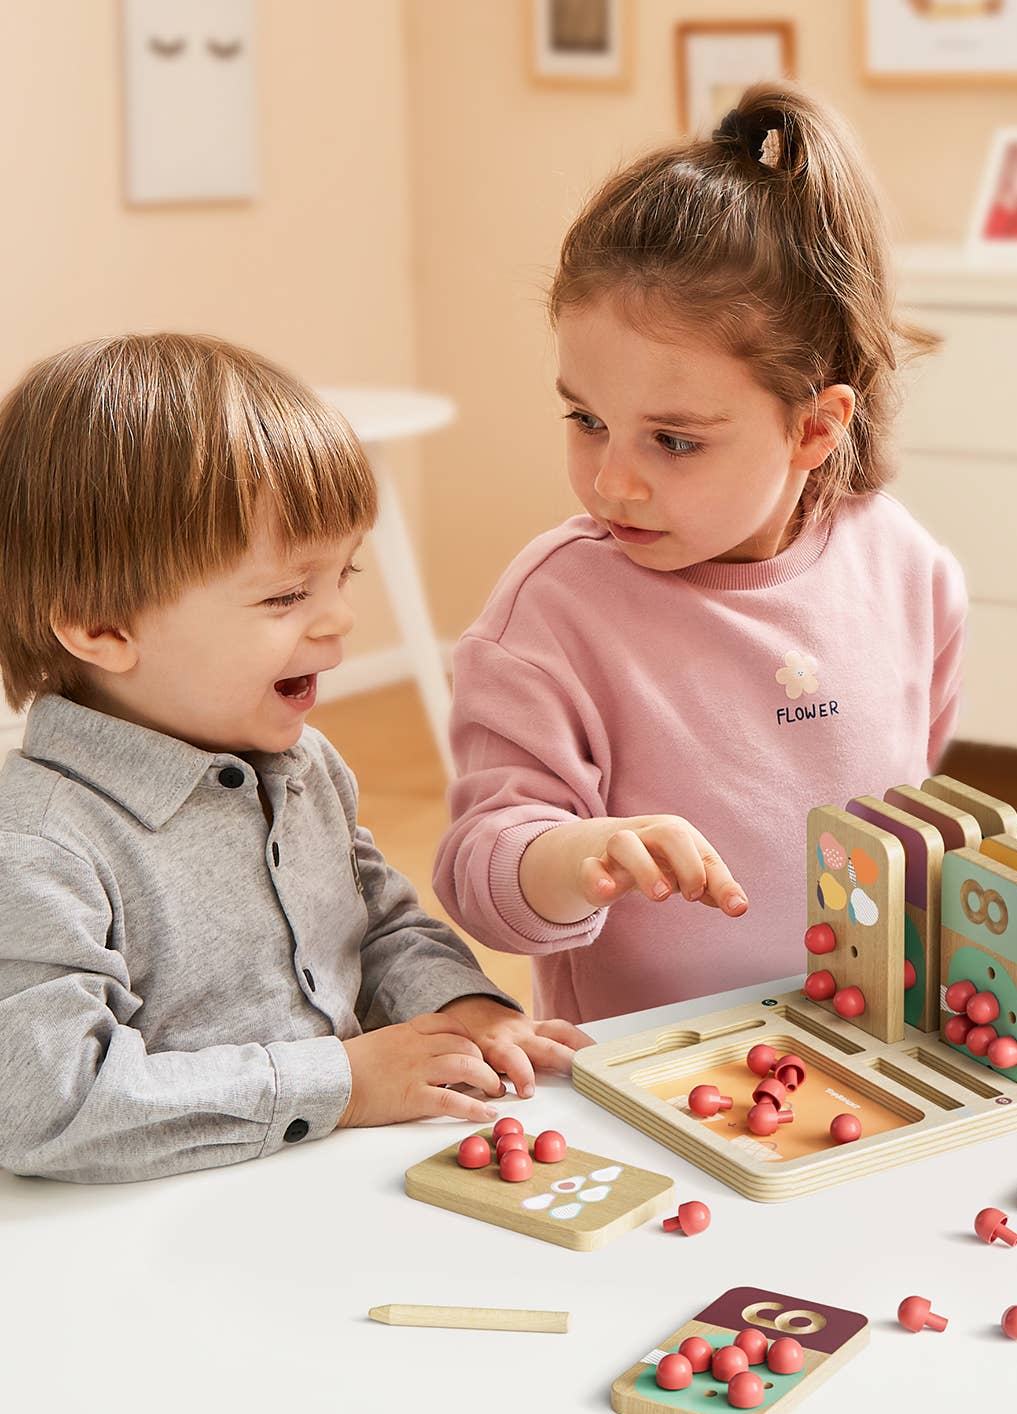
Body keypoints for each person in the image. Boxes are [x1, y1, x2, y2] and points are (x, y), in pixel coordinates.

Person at [0, 333, 588, 1184]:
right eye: (284, 595)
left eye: (342, 574)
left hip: (324, 1184)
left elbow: (376, 927)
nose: (340, 618)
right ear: (102, 628)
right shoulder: (40, 846)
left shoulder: (305, 766)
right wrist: (341, 1083)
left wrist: (460, 1006)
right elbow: (49, 1104)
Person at [435, 83, 967, 1024]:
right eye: (588, 421)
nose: (613, 484)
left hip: (869, 1042)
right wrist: (569, 859)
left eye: (673, 441)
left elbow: (911, 806)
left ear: (814, 428)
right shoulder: (550, 616)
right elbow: (481, 871)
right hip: (649, 1090)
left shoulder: (906, 567)